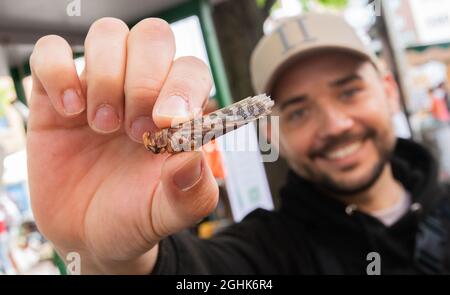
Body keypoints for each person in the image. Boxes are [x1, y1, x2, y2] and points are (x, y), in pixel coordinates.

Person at [27, 13, 450, 275]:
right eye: (298, 111)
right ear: (271, 132)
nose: (336, 125)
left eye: (349, 91)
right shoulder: (266, 253)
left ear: (390, 90)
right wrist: (106, 260)